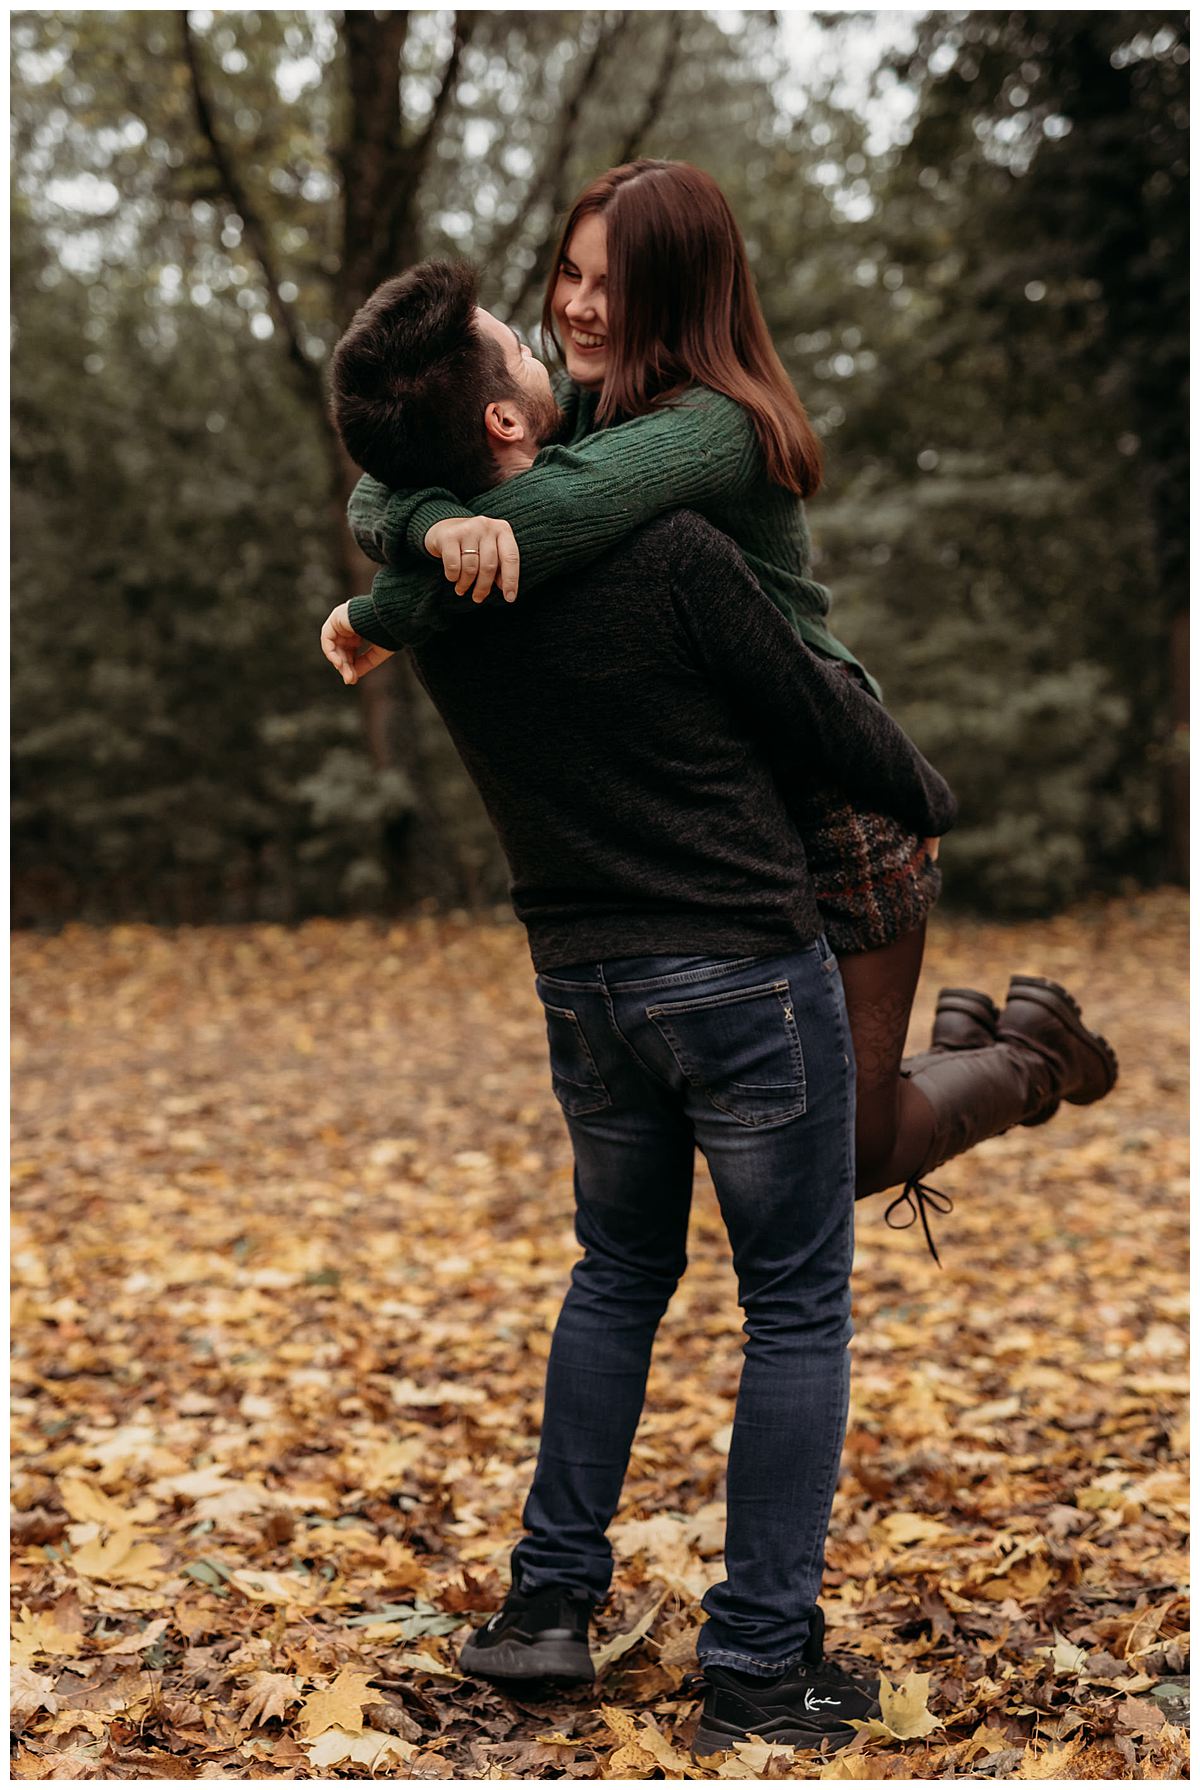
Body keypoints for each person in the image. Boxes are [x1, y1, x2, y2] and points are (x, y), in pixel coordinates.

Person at [321, 260, 1114, 1757]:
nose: (546, 333)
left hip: (583, 986)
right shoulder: (673, 554)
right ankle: (758, 1658)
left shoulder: (426, 604)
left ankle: (548, 1607)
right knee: (796, 1302)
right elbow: (833, 725)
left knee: (616, 1276)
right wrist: (934, 800)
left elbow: (390, 530)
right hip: (744, 972)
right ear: (504, 418)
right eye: (517, 335)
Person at [328, 160, 1118, 1261]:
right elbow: (381, 472)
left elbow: (542, 522)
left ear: (685, 295)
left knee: (848, 1149)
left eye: (615, 283)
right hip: (736, 821)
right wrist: (430, 522)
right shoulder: (576, 407)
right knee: (817, 1121)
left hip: (842, 787)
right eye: (567, 274)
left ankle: (1039, 1058)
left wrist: (389, 603)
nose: (578, 306)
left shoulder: (713, 428)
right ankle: (996, 1034)